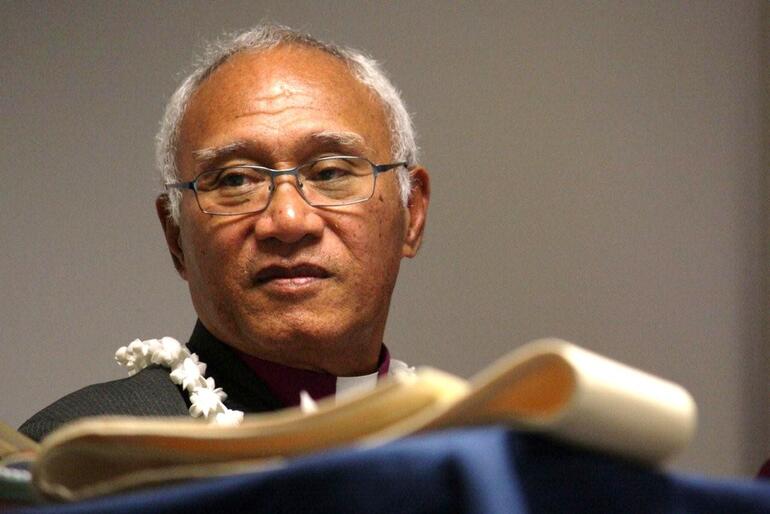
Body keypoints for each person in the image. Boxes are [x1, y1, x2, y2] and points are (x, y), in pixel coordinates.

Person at [19, 23, 430, 441]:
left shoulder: (474, 452)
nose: (288, 220)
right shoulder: (79, 459)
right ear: (176, 237)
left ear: (411, 213)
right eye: (235, 181)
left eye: (330, 172)